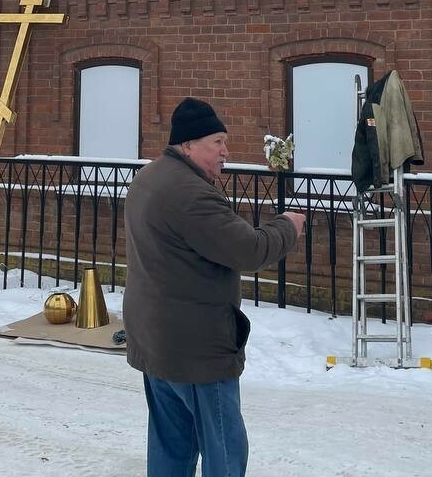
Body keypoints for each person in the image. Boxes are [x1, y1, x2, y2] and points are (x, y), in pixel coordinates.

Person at [123, 97, 305, 477]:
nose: (226, 151)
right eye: (217, 142)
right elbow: (249, 250)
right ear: (188, 144)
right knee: (224, 450)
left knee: (171, 447)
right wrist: (288, 224)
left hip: (156, 340)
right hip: (197, 350)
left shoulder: (149, 178)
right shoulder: (190, 193)